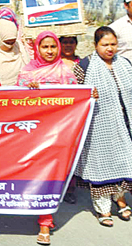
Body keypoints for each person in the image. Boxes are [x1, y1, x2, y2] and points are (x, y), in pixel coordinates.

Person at [73, 26, 132, 227]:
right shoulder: (84, 66)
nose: (110, 48)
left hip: (124, 124)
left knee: (122, 162)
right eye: (105, 44)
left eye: (113, 44)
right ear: (95, 45)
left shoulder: (125, 64)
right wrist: (89, 96)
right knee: (100, 167)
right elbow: (75, 96)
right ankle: (103, 207)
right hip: (97, 127)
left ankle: (120, 198)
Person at [15, 31, 78, 245]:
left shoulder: (66, 71)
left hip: (59, 134)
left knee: (52, 177)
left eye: (53, 47)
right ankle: (41, 216)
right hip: (35, 135)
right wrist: (29, 90)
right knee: (37, 175)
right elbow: (17, 103)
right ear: (37, 49)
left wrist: (90, 95)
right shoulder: (27, 72)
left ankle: (45, 220)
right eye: (45, 47)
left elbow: (76, 100)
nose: (49, 51)